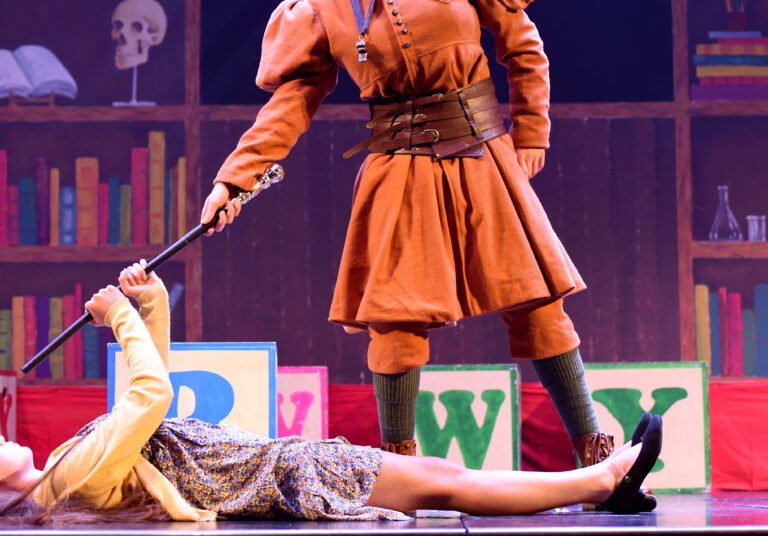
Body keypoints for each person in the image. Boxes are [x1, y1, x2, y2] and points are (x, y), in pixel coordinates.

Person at [200, 0, 616, 469]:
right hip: (398, 165)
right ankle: (396, 467)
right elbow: (289, 106)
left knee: (537, 299)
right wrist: (234, 181)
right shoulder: (323, 5)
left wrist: (532, 135)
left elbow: (523, 49)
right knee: (393, 319)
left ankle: (595, 453)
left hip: (481, 151)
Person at [0, 262, 662, 524]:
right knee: (445, 482)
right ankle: (602, 480)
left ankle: (601, 482)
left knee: (442, 481)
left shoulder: (64, 465)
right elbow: (148, 397)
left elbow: (152, 413)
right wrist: (120, 316)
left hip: (284, 467)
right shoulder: (65, 481)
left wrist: (149, 307)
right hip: (286, 474)